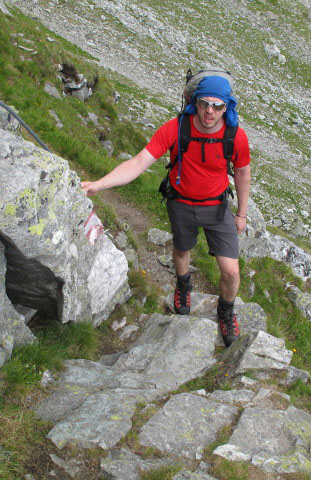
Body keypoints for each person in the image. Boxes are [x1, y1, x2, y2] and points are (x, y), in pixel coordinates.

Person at [81, 75, 251, 346]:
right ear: (195, 102)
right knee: (182, 249)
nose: (209, 111)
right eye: (204, 103)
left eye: (217, 107)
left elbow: (242, 172)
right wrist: (99, 185)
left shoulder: (235, 135)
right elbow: (138, 163)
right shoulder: (176, 128)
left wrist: (241, 214)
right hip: (181, 202)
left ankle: (226, 311)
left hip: (217, 207)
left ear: (227, 108)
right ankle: (183, 286)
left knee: (231, 271)